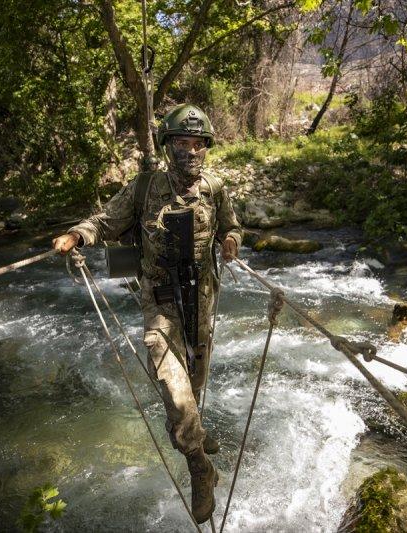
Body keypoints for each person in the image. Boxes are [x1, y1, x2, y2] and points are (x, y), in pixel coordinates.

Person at [52, 104, 241, 523]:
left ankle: (196, 437)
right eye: (181, 143)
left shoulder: (215, 187)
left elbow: (232, 225)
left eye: (197, 144)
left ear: (206, 148)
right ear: (167, 145)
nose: (190, 152)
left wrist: (230, 240)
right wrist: (75, 235)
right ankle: (200, 468)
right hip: (160, 307)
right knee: (174, 394)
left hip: (203, 304)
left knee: (192, 388)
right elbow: (105, 222)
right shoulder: (143, 188)